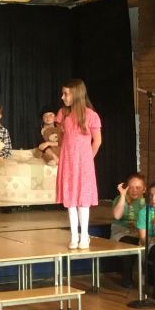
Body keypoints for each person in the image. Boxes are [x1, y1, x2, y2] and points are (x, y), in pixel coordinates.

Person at [56, 79, 102, 250]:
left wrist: (88, 158)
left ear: (76, 94)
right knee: (70, 199)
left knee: (83, 199)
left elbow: (97, 141)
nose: (62, 97)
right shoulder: (63, 114)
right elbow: (61, 139)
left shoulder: (91, 115)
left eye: (66, 94)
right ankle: (74, 236)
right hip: (68, 162)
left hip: (84, 164)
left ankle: (84, 236)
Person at [110, 174, 146, 288]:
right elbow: (117, 216)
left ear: (144, 189)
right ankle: (127, 277)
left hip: (140, 231)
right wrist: (122, 195)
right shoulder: (120, 199)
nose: (134, 190)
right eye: (131, 187)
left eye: (138, 187)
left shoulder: (147, 202)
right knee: (128, 242)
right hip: (122, 231)